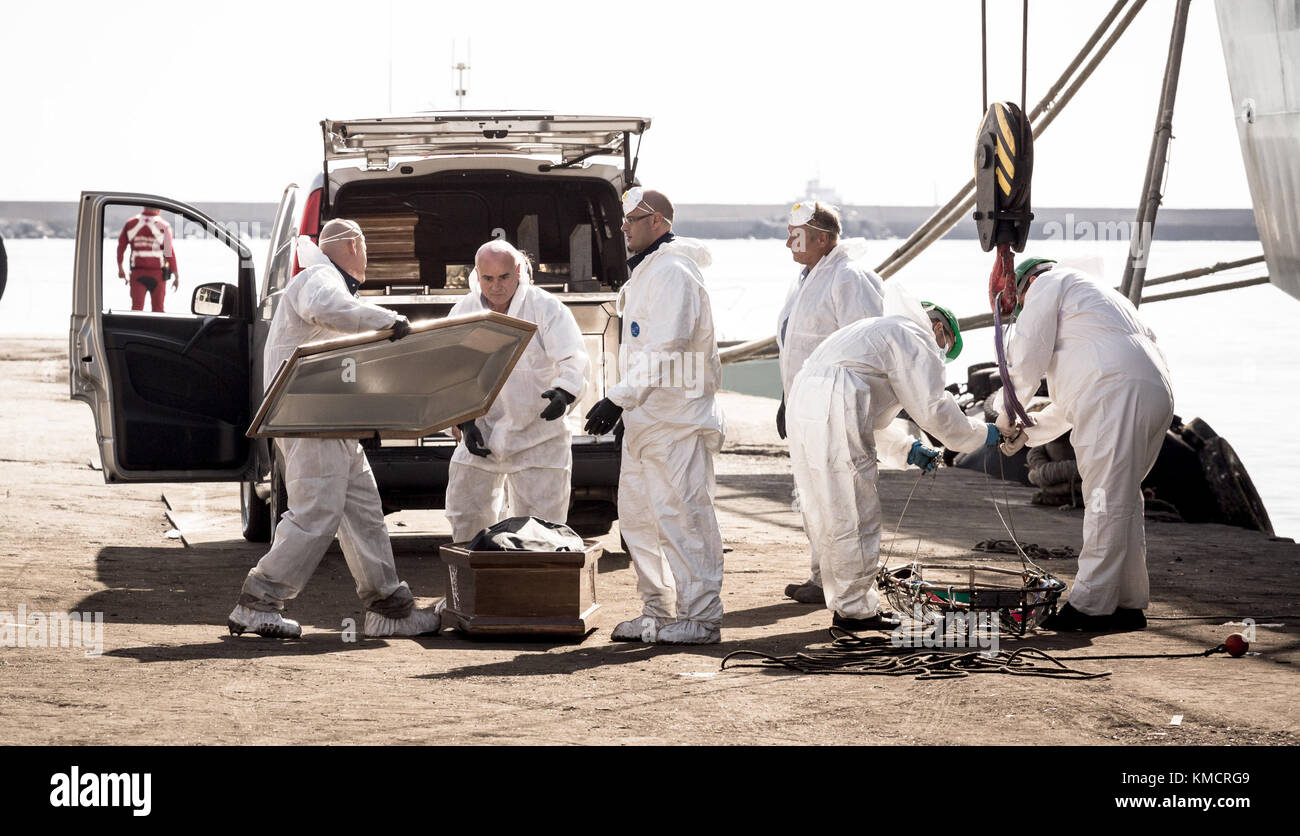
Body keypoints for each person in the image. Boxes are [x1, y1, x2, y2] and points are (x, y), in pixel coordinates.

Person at [227, 219, 435, 640]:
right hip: (310, 418)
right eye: (364, 246)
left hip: (332, 419)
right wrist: (390, 320)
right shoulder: (320, 278)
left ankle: (390, 609)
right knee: (316, 511)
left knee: (363, 511)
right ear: (354, 245)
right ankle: (259, 602)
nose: (367, 255)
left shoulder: (326, 281)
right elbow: (333, 311)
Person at [787, 292, 1002, 631]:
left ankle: (846, 601)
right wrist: (981, 433)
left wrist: (907, 450)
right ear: (937, 328)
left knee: (826, 506)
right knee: (854, 508)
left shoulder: (877, 330)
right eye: (944, 345)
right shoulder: (915, 336)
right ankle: (856, 612)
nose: (940, 353)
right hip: (832, 399)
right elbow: (933, 409)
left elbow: (859, 416)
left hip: (806, 399)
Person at [997, 258, 1174, 632]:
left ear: (1027, 282)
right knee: (1121, 496)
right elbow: (1069, 405)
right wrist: (1028, 431)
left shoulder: (1047, 284)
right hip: (1152, 390)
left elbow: (1025, 355)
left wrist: (1005, 414)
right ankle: (1127, 603)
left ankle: (1091, 606)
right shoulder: (1103, 303)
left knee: (1104, 498)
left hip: (1115, 391)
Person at [584, 188, 727, 645]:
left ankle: (700, 617)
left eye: (632, 218)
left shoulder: (674, 271)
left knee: (683, 516)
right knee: (639, 519)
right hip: (649, 421)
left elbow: (670, 343)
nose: (623, 226)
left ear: (659, 221)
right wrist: (627, 404)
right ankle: (658, 610)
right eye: (623, 219)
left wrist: (618, 398)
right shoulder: (647, 272)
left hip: (677, 420)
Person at [775, 200, 884, 604]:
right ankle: (822, 577)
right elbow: (798, 346)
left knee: (844, 497)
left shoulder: (849, 278)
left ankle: (856, 591)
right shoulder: (806, 278)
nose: (788, 242)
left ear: (822, 238)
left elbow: (868, 346)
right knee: (812, 494)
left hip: (836, 408)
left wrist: (855, 410)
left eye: (795, 234)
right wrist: (787, 399)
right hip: (806, 406)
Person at [444, 240, 589, 541]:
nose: (496, 286)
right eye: (488, 278)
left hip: (538, 436)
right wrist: (464, 422)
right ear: (477, 275)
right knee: (466, 517)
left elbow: (573, 358)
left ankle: (535, 588)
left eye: (504, 277)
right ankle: (477, 587)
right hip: (481, 435)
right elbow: (450, 372)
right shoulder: (464, 311)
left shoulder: (546, 308)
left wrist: (564, 393)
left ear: (519, 271)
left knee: (541, 533)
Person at [116, 207, 179, 312]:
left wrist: (120, 268)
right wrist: (176, 275)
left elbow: (121, 247)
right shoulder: (164, 226)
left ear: (144, 208)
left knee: (136, 308)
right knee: (158, 310)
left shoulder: (130, 223)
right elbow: (169, 253)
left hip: (137, 274)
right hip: (158, 275)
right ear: (159, 210)